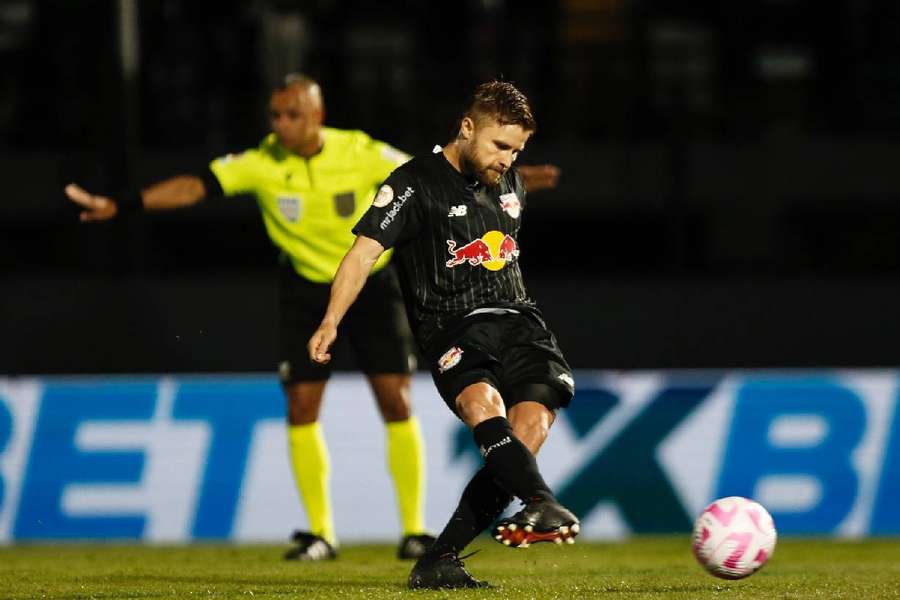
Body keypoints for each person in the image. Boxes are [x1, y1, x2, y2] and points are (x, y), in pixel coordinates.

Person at [308, 80, 579, 589]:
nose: (508, 159)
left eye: (517, 150)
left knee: (531, 430)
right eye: (501, 146)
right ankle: (542, 502)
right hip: (454, 324)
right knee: (483, 405)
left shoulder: (510, 183)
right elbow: (364, 253)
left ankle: (439, 560)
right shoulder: (412, 184)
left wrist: (528, 173)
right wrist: (331, 321)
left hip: (522, 322)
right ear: (467, 127)